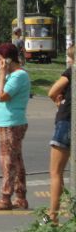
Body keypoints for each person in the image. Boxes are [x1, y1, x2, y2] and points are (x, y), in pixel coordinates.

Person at [0, 43, 31, 211]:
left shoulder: (19, 76)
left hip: (11, 123)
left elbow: (2, 96)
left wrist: (2, 74)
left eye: (0, 59)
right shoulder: (10, 76)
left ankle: (6, 198)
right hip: (4, 122)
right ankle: (21, 197)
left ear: (8, 60)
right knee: (16, 160)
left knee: (8, 161)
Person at [45, 45, 74, 225]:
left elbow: (52, 92)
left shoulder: (71, 72)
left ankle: (53, 217)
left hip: (66, 122)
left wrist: (58, 102)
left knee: (56, 172)